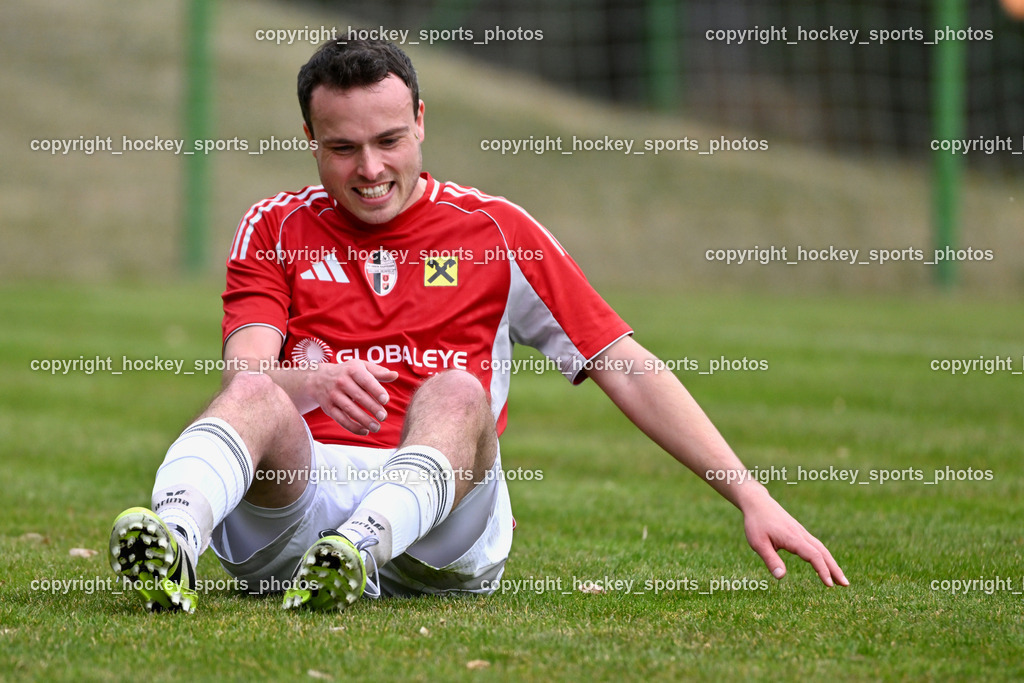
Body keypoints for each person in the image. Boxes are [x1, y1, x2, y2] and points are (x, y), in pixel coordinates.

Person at [108, 38, 848, 614]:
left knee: (459, 391)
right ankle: (172, 546)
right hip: (296, 510)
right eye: (343, 148)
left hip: (439, 528)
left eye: (389, 140)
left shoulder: (497, 231)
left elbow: (623, 363)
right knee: (254, 395)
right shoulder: (275, 225)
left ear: (423, 122)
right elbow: (248, 376)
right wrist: (311, 381)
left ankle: (358, 551)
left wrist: (750, 493)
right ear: (310, 136)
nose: (369, 168)